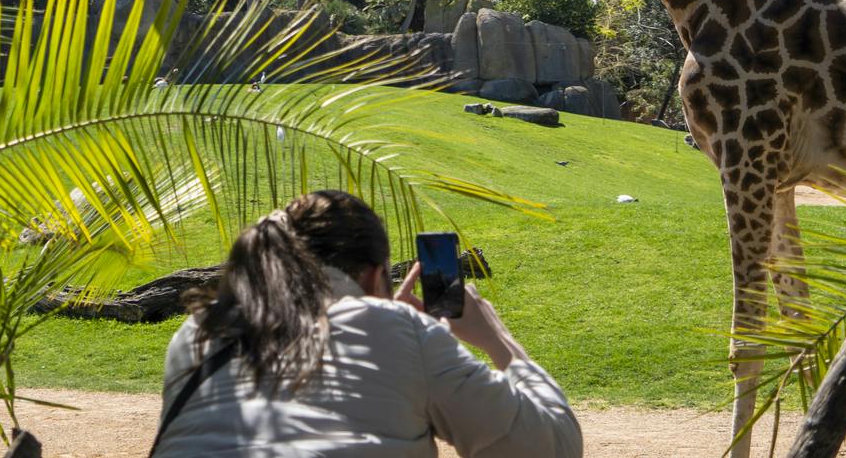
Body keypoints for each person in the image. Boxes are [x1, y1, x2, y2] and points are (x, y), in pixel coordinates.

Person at [151, 189, 582, 457]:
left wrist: (392, 327)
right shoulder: (398, 330)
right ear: (376, 275)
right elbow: (551, 448)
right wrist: (497, 339)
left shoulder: (198, 332)